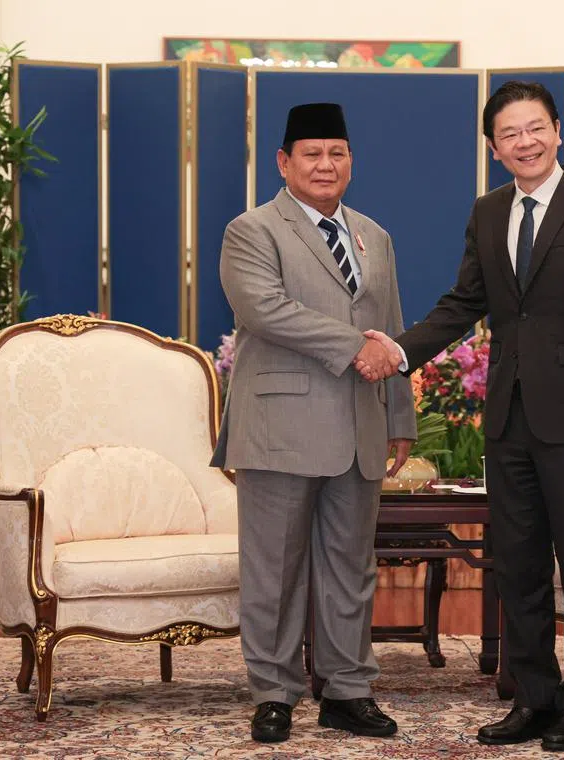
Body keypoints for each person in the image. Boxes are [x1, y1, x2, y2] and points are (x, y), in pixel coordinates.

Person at [360, 81, 564, 752]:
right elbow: (465, 303)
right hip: (509, 420)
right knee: (517, 566)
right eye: (510, 134)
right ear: (494, 148)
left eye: (535, 128)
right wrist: (401, 350)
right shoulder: (489, 212)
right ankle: (534, 701)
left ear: (557, 131)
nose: (526, 142)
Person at [209, 102, 416, 744]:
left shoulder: (373, 235)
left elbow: (393, 325)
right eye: (311, 154)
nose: (326, 165)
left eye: (337, 153)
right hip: (280, 426)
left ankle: (348, 690)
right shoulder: (252, 230)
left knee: (351, 566)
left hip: (359, 426)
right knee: (274, 569)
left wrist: (399, 415)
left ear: (351, 161)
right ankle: (274, 693)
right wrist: (356, 347)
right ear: (284, 162)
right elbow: (266, 309)